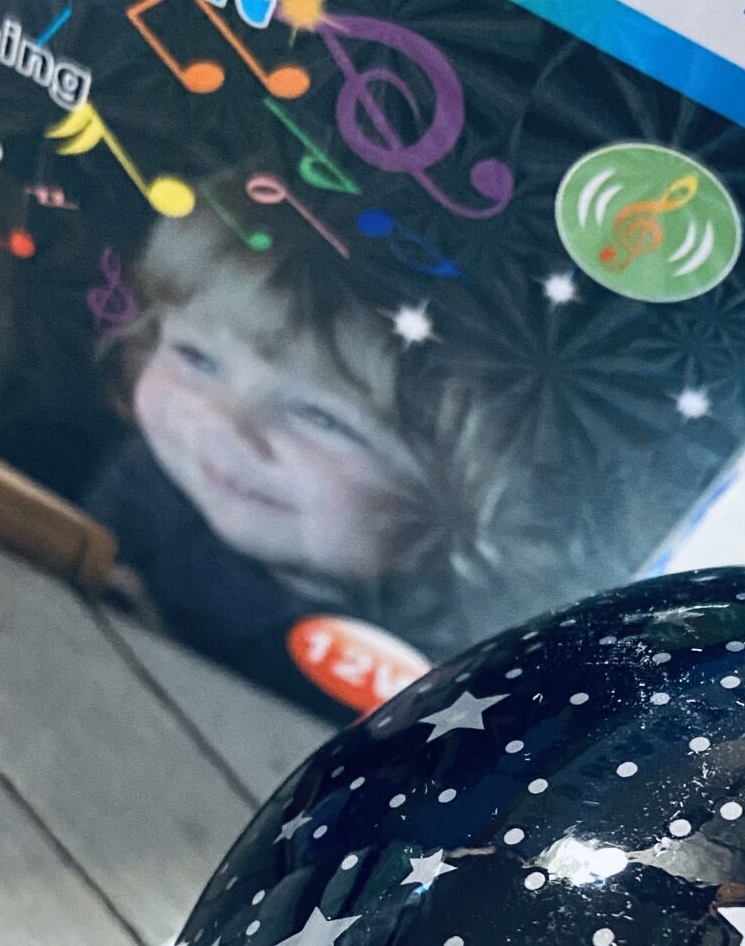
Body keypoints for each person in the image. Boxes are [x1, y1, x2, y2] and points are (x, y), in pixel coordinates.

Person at [86, 189, 494, 717]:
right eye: (197, 358)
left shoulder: (429, 672)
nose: (222, 423)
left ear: (460, 494)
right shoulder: (151, 482)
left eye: (321, 417)